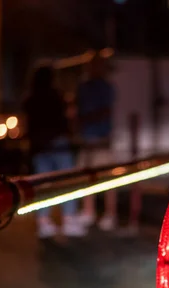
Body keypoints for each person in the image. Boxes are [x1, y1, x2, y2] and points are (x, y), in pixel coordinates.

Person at [23, 64, 86, 238]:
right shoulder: (56, 96)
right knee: (66, 182)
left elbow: (29, 125)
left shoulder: (31, 99)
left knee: (43, 185)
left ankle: (43, 222)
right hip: (59, 144)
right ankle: (69, 219)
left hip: (40, 147)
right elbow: (64, 120)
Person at [76, 53, 117, 231]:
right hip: (88, 138)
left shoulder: (105, 87)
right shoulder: (85, 87)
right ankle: (89, 211)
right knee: (87, 178)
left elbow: (106, 111)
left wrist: (87, 119)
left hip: (101, 138)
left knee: (107, 179)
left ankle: (109, 214)